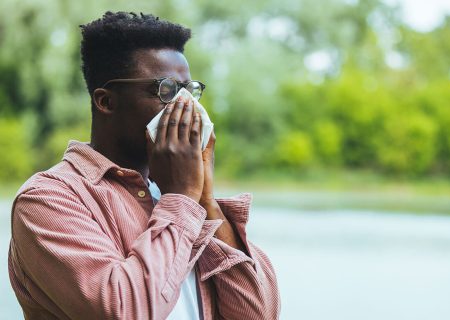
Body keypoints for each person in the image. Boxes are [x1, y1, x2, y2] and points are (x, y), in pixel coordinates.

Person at [8, 11, 280, 320]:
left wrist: (204, 199)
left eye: (189, 91)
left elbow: (259, 314)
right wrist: (181, 200)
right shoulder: (49, 200)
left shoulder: (182, 197)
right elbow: (126, 312)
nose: (186, 106)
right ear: (106, 102)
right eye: (165, 90)